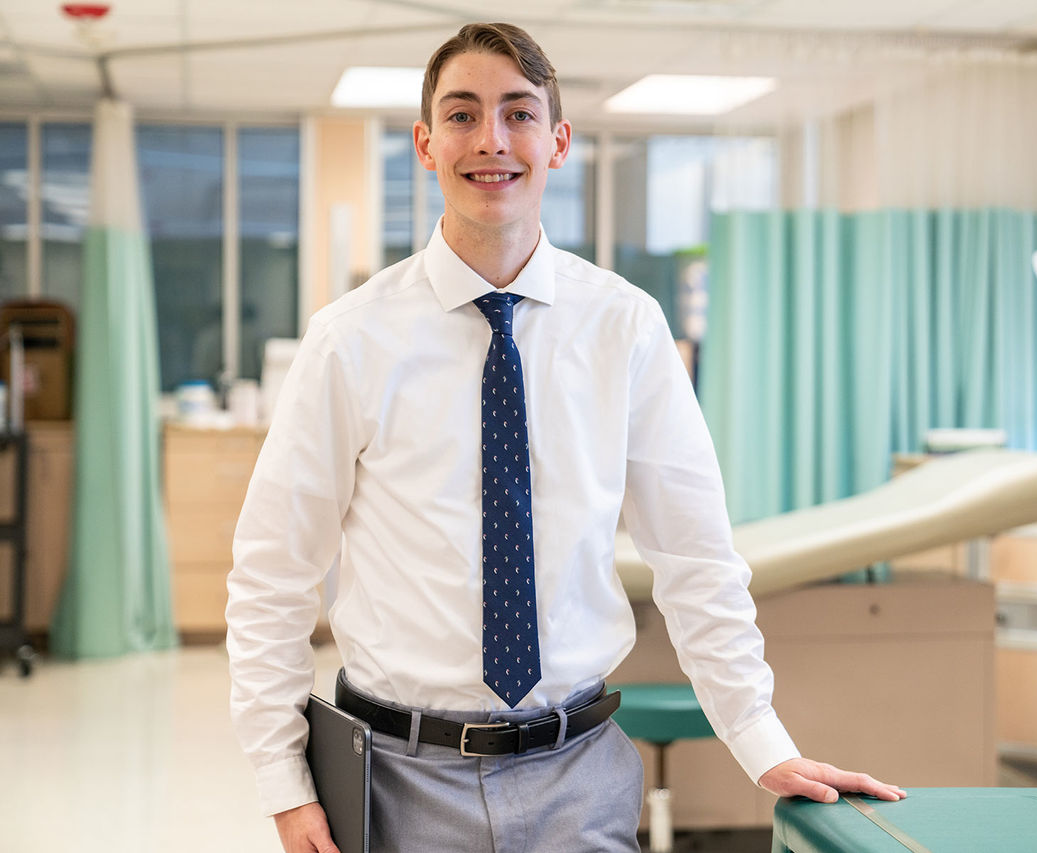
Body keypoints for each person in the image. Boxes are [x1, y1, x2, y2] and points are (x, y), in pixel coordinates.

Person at [226, 21, 905, 853]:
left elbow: (696, 556)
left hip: (578, 778)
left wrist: (762, 742)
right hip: (397, 782)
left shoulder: (627, 328)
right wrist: (285, 784)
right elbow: (272, 575)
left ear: (558, 142)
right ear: (425, 142)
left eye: (518, 113)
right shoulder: (349, 340)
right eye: (463, 114)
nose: (492, 141)